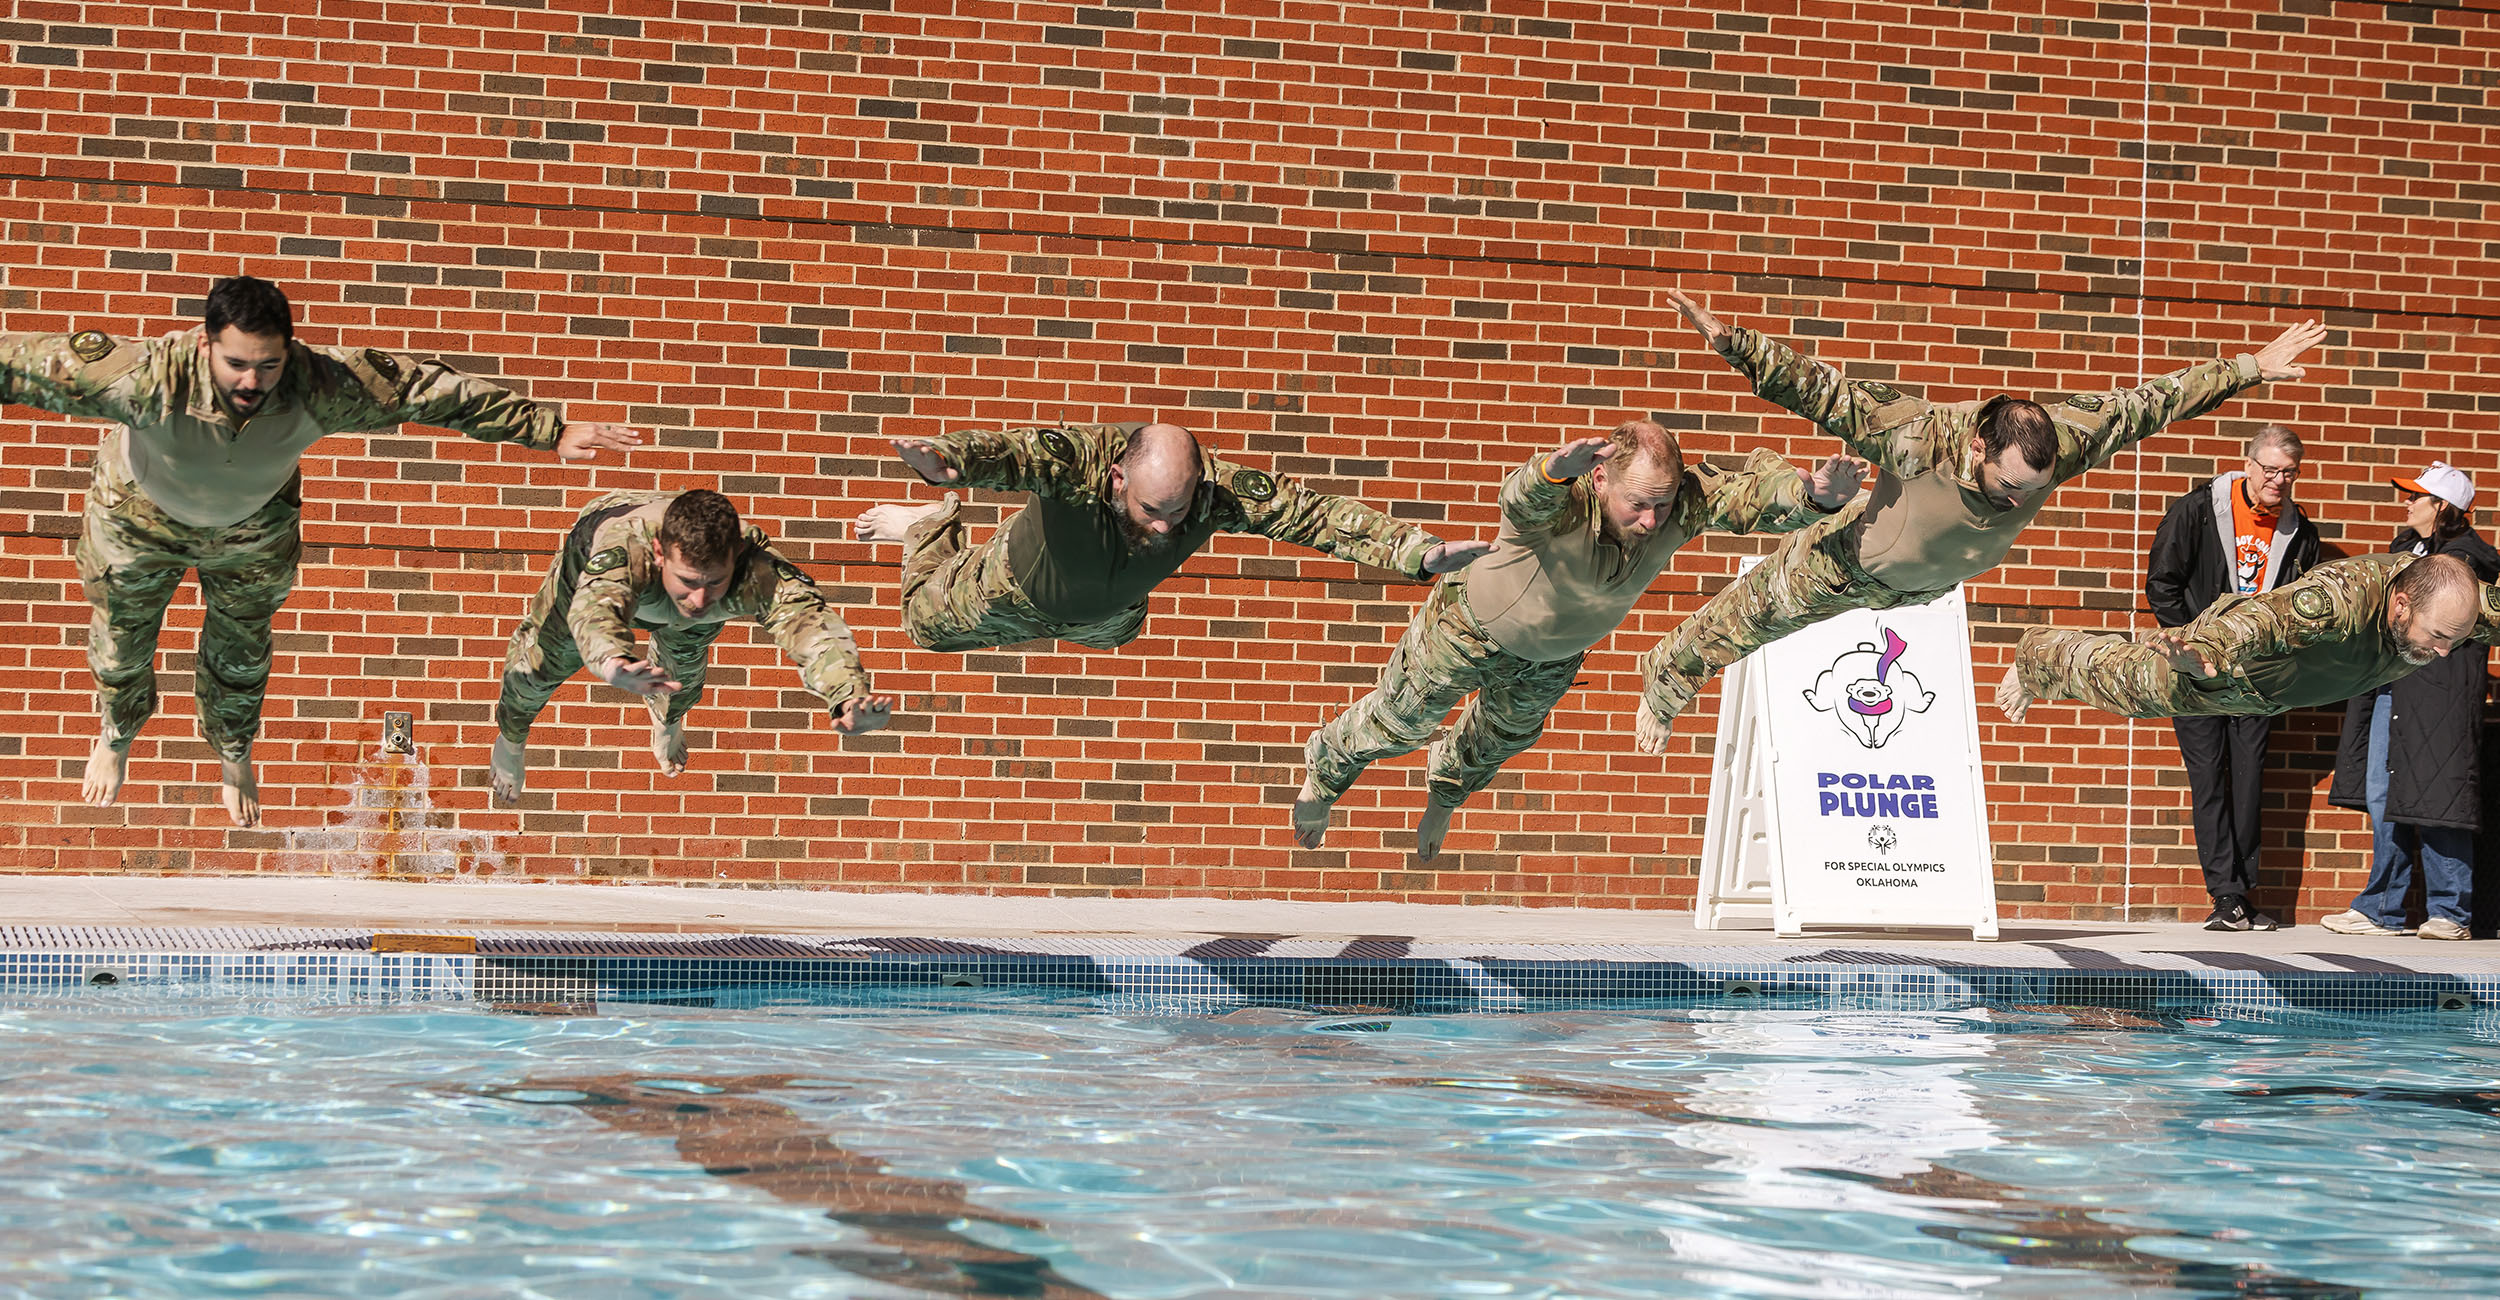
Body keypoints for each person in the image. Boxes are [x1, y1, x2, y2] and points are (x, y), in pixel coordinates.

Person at [0, 275, 642, 826]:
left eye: (268, 364)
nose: (253, 381)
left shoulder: (319, 383)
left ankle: (233, 751)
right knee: (121, 642)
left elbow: (429, 390)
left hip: (249, 528)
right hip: (141, 521)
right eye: (237, 364)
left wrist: (550, 428)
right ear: (205, 344)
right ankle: (116, 735)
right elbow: (19, 364)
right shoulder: (142, 375)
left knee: (242, 651)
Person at [1630, 288, 2326, 753]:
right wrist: (1733, 342)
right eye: (2007, 487)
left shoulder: (2068, 439)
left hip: (1927, 586)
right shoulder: (1918, 435)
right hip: (1847, 566)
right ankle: (1662, 681)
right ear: (1976, 447)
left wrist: (2249, 366)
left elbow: (2150, 403)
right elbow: (1822, 391)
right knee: (1745, 618)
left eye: (2035, 489)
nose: (2019, 502)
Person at [1291, 420, 1865, 859]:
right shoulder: (1562, 501)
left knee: (1497, 742)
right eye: (1637, 502)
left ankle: (1441, 800)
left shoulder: (1679, 505)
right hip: (1466, 628)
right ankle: (1326, 772)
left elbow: (1749, 498)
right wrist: (1547, 471)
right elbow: (1519, 498)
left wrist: (1813, 496)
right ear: (1599, 478)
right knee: (1401, 723)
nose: (1650, 520)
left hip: (1552, 657)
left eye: (1661, 504)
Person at [852, 420, 1487, 652]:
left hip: (1108, 615)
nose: (1164, 525)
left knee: (1113, 632)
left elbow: (1313, 515)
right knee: (924, 628)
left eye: (1177, 512)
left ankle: (1100, 613)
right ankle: (925, 528)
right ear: (1119, 474)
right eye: (1152, 507)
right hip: (1012, 587)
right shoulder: (1082, 461)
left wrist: (1418, 552)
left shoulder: (1213, 491)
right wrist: (950, 461)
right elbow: (1019, 452)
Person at [491, 489, 893, 802]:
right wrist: (613, 662)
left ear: (735, 558)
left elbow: (813, 627)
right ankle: (511, 740)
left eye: (713, 582)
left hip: (680, 578)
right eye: (689, 581)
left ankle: (668, 720)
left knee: (682, 670)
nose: (699, 599)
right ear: (660, 554)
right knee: (538, 667)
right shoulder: (623, 550)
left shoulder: (757, 567)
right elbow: (593, 611)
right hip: (593, 562)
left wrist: (847, 696)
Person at [2143, 425, 2320, 932]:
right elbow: (2162, 584)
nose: (2278, 481)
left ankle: (2241, 893)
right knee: (2209, 781)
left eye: (2289, 473)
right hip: (2196, 672)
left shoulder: (2298, 530)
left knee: (2249, 781)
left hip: (2256, 676)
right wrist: (2191, 644)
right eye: (2269, 470)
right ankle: (2224, 895)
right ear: (2248, 465)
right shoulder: (2197, 511)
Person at [1995, 552, 2492, 729]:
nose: (2445, 652)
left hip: (2273, 696)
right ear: (2401, 604)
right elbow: (2262, 619)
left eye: (2459, 638)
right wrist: (2207, 652)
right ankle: (2037, 654)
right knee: (2136, 686)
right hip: (2230, 666)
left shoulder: (2451, 606)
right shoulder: (2337, 602)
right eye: (2440, 636)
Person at [2321, 464, 2500, 940]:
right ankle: (2381, 909)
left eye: (2416, 497)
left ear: (2442, 507)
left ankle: (2450, 913)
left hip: (2437, 697)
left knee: (2439, 797)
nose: (2406, 503)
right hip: (2390, 688)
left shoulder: (2467, 563)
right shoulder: (2404, 551)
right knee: (2385, 798)